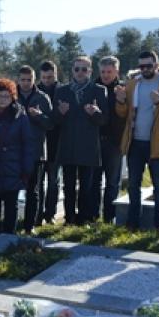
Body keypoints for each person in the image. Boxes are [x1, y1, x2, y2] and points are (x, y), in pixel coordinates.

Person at [115, 50, 159, 232]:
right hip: (135, 142)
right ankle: (132, 223)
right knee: (133, 185)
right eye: (141, 66)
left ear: (156, 65)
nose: (144, 69)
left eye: (148, 66)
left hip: (157, 143)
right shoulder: (132, 84)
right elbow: (122, 113)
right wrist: (120, 102)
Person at [52, 56, 107, 225]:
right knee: (68, 186)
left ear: (90, 71)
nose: (80, 72)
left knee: (86, 186)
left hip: (88, 146)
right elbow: (55, 121)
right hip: (68, 145)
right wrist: (60, 113)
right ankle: (69, 218)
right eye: (77, 69)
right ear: (72, 71)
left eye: (84, 69)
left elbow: (104, 120)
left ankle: (83, 219)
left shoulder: (98, 90)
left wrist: (95, 113)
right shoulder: (62, 91)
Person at [0, 79, 33, 236]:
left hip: (14, 165)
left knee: (12, 204)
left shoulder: (20, 115)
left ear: (12, 97)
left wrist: (26, 169)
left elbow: (27, 143)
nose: (3, 100)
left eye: (6, 96)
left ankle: (9, 237)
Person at [16, 66, 53, 234]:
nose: (26, 83)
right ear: (18, 79)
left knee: (33, 190)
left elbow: (51, 124)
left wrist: (39, 116)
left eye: (29, 80)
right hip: (15, 150)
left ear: (34, 79)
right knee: (12, 189)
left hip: (36, 150)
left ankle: (30, 225)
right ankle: (12, 223)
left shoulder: (42, 97)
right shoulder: (11, 96)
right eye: (23, 80)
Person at [89, 56, 126, 223]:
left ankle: (109, 217)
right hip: (95, 140)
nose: (105, 75)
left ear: (116, 71)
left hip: (114, 141)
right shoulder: (92, 88)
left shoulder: (123, 89)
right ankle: (93, 216)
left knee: (112, 182)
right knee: (94, 181)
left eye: (109, 72)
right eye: (103, 71)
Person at [37, 61, 62, 224]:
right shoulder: (35, 92)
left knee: (53, 181)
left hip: (56, 143)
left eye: (50, 77)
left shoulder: (62, 91)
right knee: (38, 183)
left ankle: (50, 213)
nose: (47, 80)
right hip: (39, 143)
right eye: (44, 77)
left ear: (55, 75)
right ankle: (38, 214)